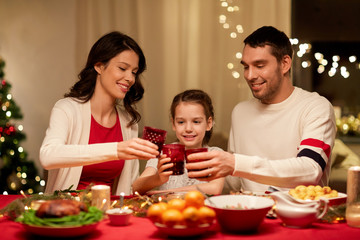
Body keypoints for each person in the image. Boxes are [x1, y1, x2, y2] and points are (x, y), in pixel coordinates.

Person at [186, 26, 336, 193]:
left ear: (285, 63)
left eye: (259, 65)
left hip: (297, 215)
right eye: (246, 67)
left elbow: (310, 170)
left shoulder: (315, 107)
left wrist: (235, 163)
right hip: (249, 213)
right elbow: (235, 181)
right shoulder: (240, 112)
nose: (250, 75)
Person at [39, 31, 159, 195]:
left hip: (109, 213)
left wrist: (159, 178)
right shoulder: (67, 109)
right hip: (67, 213)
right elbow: (48, 156)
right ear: (99, 66)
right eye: (123, 68)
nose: (130, 78)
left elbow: (130, 187)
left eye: (134, 72)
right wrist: (116, 150)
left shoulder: (128, 122)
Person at [132, 89, 225, 195]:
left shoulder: (215, 155)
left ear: (209, 123)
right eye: (181, 122)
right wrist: (158, 178)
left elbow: (215, 188)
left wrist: (168, 192)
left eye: (196, 122)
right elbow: (136, 187)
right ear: (173, 124)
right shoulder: (162, 153)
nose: (188, 128)